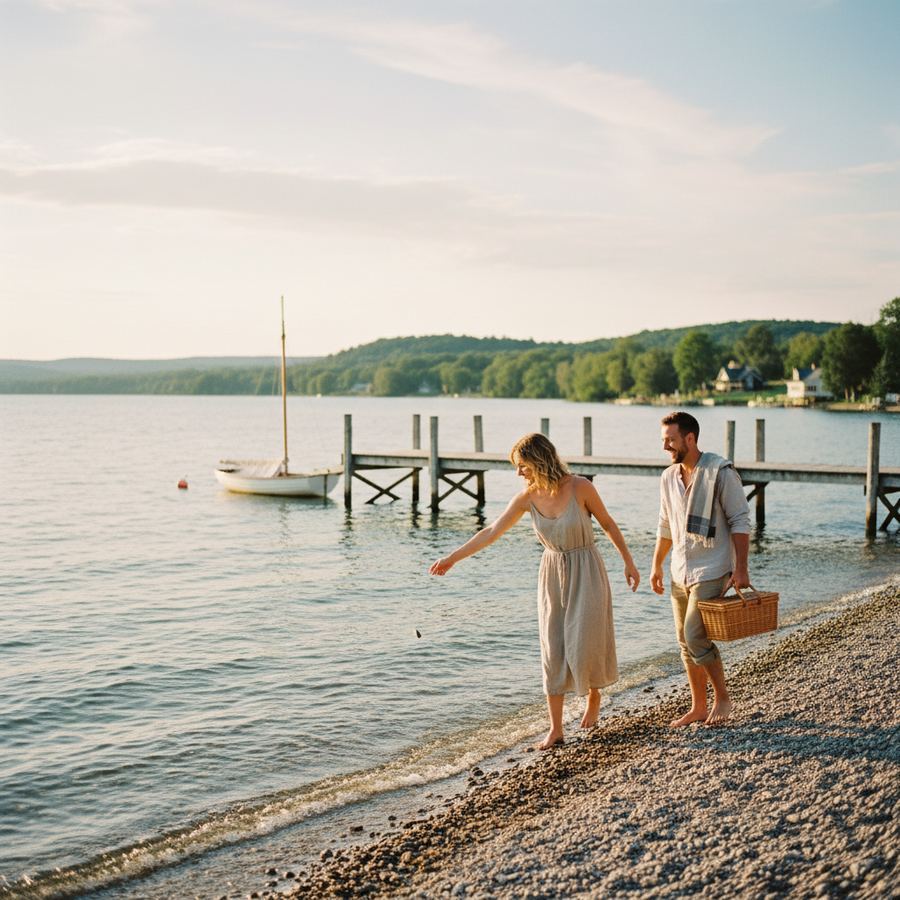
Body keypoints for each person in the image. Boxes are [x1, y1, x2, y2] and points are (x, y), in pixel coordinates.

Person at [430, 433, 640, 750]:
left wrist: (629, 562)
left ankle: (594, 695)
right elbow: (491, 531)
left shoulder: (580, 487)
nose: (518, 473)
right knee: (552, 648)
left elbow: (608, 524)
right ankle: (556, 728)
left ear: (540, 460)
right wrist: (452, 559)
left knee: (586, 640)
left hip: (586, 567)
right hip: (552, 573)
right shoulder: (526, 498)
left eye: (522, 466)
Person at [650, 411, 751, 727]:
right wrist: (656, 565)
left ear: (690, 438)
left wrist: (741, 569)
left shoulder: (720, 472)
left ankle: (722, 699)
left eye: (671, 440)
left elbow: (740, 521)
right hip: (679, 571)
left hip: (712, 569)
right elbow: (665, 524)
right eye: (664, 440)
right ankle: (698, 706)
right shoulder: (668, 478)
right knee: (684, 643)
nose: (665, 446)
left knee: (694, 636)